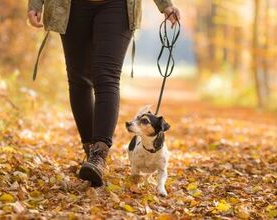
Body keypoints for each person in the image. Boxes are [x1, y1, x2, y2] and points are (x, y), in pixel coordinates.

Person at [27, 0, 180, 187]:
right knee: (79, 79)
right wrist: (35, 3)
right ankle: (90, 150)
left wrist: (165, 5)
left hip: (117, 6)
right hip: (71, 6)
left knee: (106, 75)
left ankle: (99, 154)